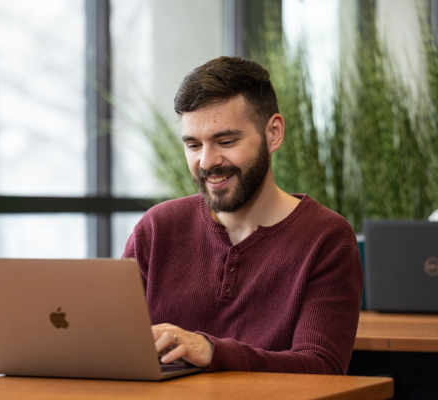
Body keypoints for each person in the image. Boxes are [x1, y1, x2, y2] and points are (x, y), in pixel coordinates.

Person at [122, 56, 363, 375]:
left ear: (274, 133)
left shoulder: (327, 238)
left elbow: (322, 369)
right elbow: (114, 344)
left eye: (226, 141)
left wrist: (211, 352)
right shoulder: (156, 228)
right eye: (193, 145)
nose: (207, 162)